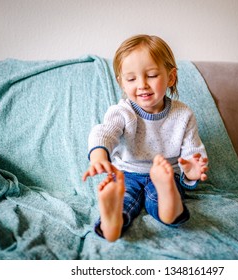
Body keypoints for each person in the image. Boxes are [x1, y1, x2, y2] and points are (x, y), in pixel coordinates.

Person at [82, 34, 208, 242]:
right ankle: (111, 220)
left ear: (171, 77)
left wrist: (192, 171)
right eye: (131, 79)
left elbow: (192, 153)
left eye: (151, 75)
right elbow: (104, 133)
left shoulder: (183, 114)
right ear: (122, 83)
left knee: (163, 194)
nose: (142, 85)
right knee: (124, 197)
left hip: (164, 174)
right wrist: (99, 158)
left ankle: (168, 202)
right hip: (126, 175)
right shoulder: (122, 112)